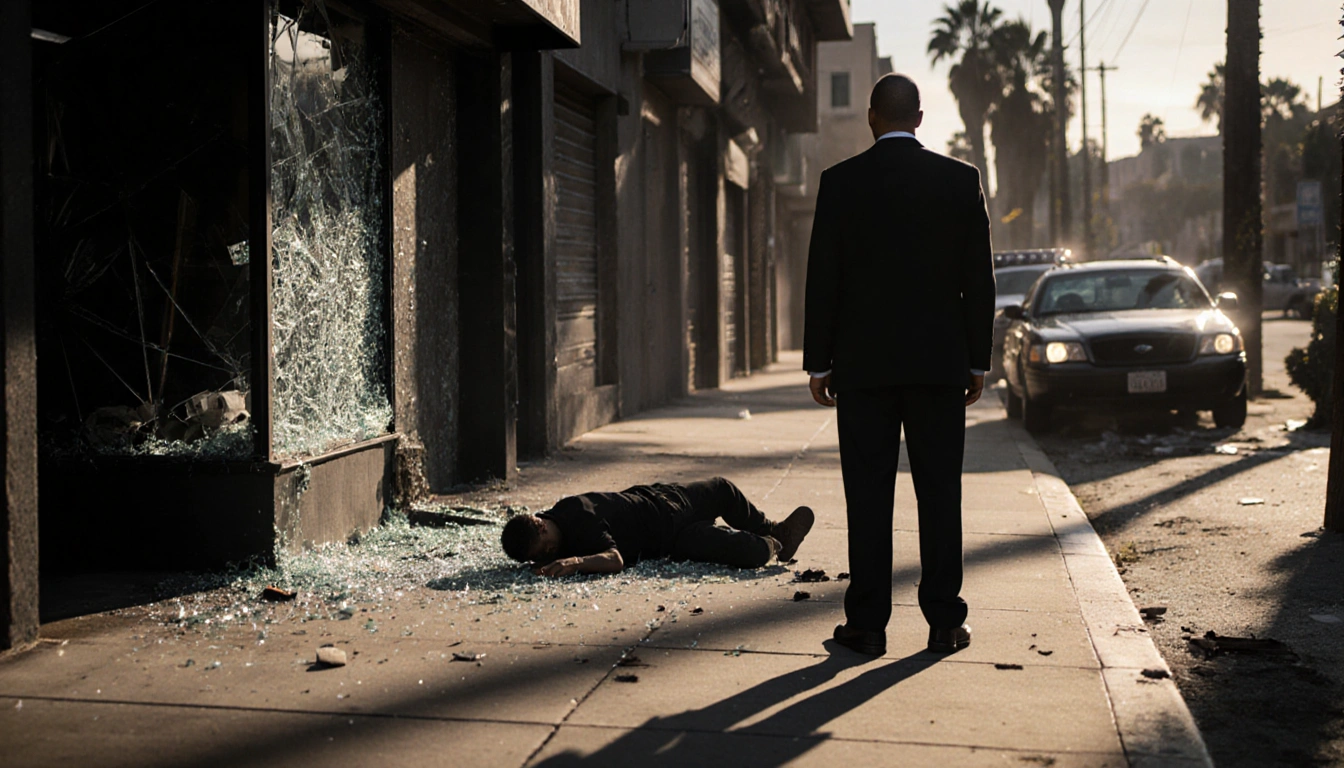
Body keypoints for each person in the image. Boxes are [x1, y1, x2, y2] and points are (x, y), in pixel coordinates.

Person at [803, 73, 995, 656]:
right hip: (940, 368)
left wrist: (819, 362)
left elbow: (823, 279)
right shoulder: (960, 181)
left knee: (867, 497)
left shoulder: (840, 183)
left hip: (862, 370)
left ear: (870, 117)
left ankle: (867, 626)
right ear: (918, 117)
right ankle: (943, 622)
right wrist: (977, 361)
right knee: (940, 495)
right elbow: (978, 282)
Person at [500, 477, 815, 577]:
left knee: (722, 490)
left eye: (547, 547)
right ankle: (774, 544)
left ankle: (774, 529)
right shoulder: (549, 529)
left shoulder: (577, 516)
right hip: (672, 539)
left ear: (542, 526)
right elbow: (617, 558)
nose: (551, 553)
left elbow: (614, 559)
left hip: (669, 503)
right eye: (542, 555)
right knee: (750, 553)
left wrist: (575, 562)